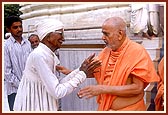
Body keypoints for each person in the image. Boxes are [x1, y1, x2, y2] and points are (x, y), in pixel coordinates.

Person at [13, 18, 101, 111]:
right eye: (60, 33)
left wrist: (80, 70)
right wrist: (82, 74)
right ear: (48, 36)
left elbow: (57, 84)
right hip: (34, 106)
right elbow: (57, 91)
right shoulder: (39, 55)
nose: (63, 38)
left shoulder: (47, 54)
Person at [77, 17, 160, 111]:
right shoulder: (106, 51)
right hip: (106, 108)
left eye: (106, 34)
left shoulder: (136, 51)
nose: (102, 37)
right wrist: (74, 73)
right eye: (103, 33)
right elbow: (97, 72)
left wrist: (102, 89)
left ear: (120, 34)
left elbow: (137, 88)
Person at [4, 16, 32, 111]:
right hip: (15, 91)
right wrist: (21, 85)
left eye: (20, 26)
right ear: (8, 29)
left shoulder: (28, 43)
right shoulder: (6, 46)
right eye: (15, 27)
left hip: (31, 88)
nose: (19, 29)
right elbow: (7, 73)